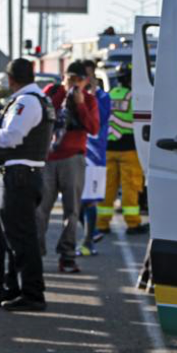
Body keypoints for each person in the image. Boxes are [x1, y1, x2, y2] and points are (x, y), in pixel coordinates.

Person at [0, 57, 55, 311]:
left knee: (21, 238)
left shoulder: (25, 102)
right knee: (17, 236)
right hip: (27, 174)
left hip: (18, 177)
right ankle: (16, 288)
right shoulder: (40, 100)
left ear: (11, 79)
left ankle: (32, 293)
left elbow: (11, 137)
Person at [38, 61, 100, 274]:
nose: (73, 84)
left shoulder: (89, 100)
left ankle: (67, 256)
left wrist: (80, 104)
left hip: (73, 159)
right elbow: (40, 115)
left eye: (78, 80)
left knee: (71, 211)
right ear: (63, 77)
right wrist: (61, 97)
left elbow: (93, 128)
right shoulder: (52, 92)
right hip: (48, 157)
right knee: (40, 209)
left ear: (85, 82)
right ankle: (36, 254)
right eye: (69, 79)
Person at [97, 64, 147, 235]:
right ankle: (132, 224)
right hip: (129, 148)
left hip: (108, 148)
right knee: (130, 187)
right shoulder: (135, 97)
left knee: (107, 187)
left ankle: (102, 224)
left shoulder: (108, 95)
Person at [79, 60, 111, 255]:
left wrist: (90, 95)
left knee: (89, 200)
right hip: (75, 154)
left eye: (88, 75)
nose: (86, 80)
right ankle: (92, 233)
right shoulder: (74, 96)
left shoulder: (103, 97)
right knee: (74, 201)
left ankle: (88, 242)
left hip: (95, 156)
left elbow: (99, 119)